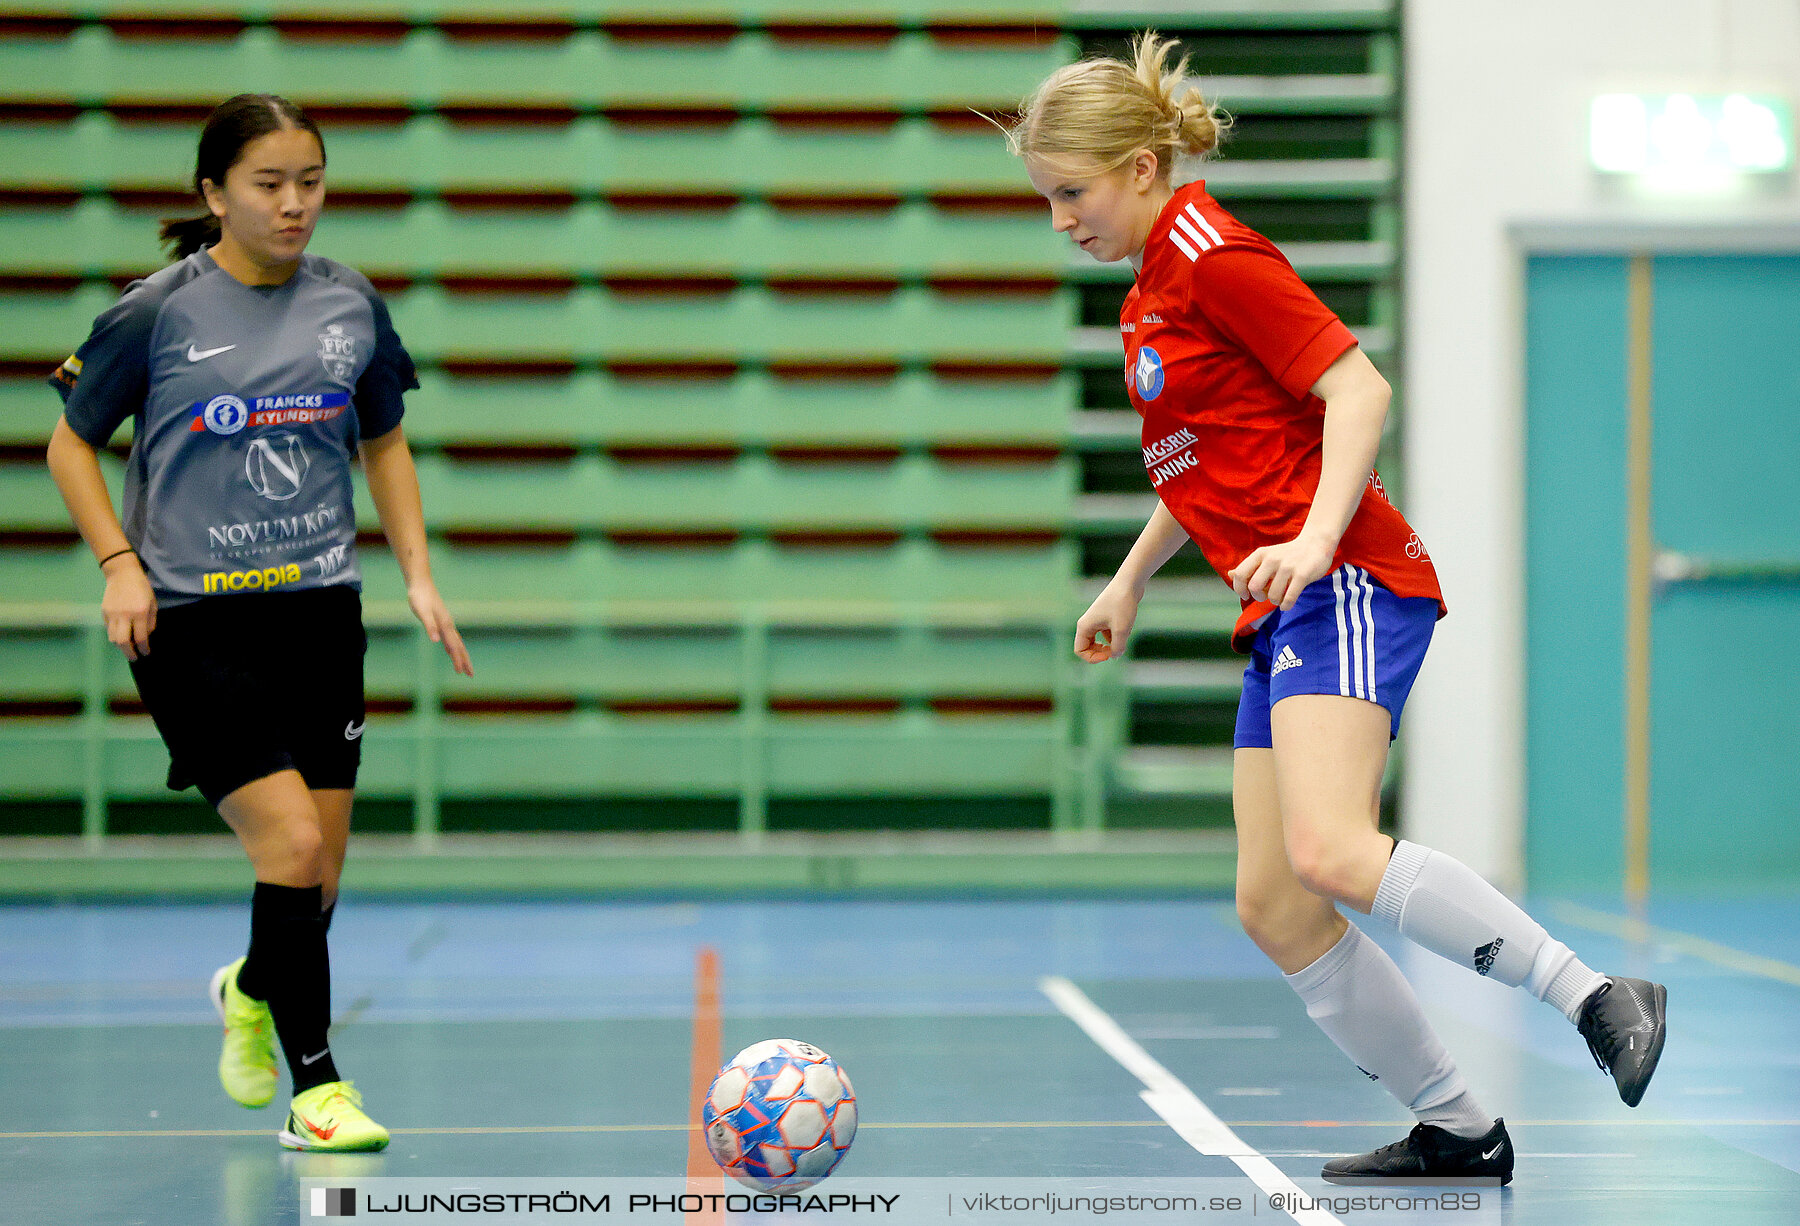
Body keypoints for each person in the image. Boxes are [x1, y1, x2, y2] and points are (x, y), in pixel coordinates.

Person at [1005, 34, 1666, 1184]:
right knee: (1273, 897)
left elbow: (1357, 385)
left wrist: (1313, 540)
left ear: (1146, 167)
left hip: (1346, 576)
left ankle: (1597, 994)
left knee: (1329, 846)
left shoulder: (1210, 254)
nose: (1061, 218)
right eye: (1047, 198)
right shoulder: (1147, 298)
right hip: (1281, 610)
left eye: (1073, 191)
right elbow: (1207, 466)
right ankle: (1459, 1124)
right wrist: (1131, 574)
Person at [45, 93, 472, 1152]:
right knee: (284, 840)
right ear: (213, 194)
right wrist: (117, 565)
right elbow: (68, 444)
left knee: (316, 874)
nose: (294, 205)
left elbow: (387, 442)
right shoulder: (155, 313)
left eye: (311, 182)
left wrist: (418, 574)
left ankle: (250, 982)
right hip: (192, 623)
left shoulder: (350, 305)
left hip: (321, 616)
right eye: (268, 184)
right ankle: (316, 1089)